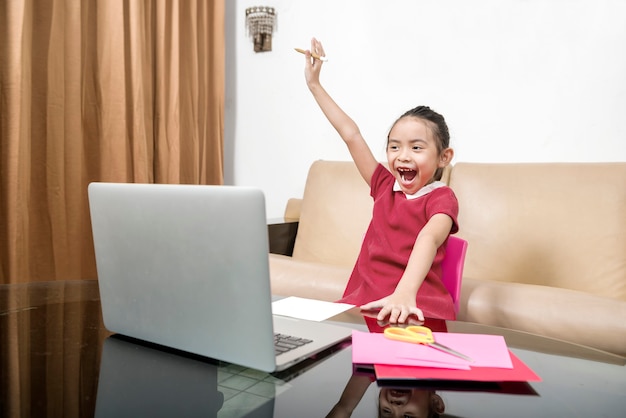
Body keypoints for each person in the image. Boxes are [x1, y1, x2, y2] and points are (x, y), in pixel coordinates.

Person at [302, 38, 459, 324]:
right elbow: (351, 134)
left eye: (416, 147)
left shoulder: (442, 198)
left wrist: (404, 293)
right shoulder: (384, 185)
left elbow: (428, 238)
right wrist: (315, 84)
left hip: (415, 303)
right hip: (366, 303)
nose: (403, 156)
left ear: (443, 157)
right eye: (394, 146)